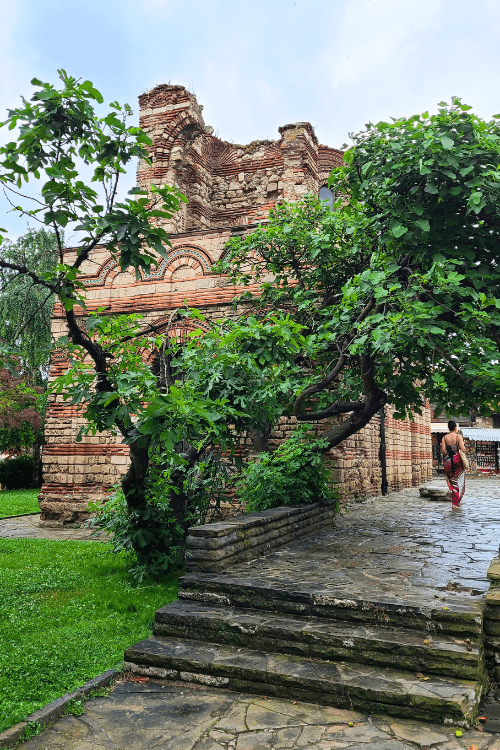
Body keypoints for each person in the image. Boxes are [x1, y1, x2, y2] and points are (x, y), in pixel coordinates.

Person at [440, 420, 466, 509]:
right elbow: (462, 449)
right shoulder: (458, 437)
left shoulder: (444, 438)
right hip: (457, 460)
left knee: (453, 482)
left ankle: (455, 502)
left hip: (448, 461)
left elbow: (443, 451)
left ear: (448, 428)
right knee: (460, 482)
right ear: (455, 427)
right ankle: (455, 503)